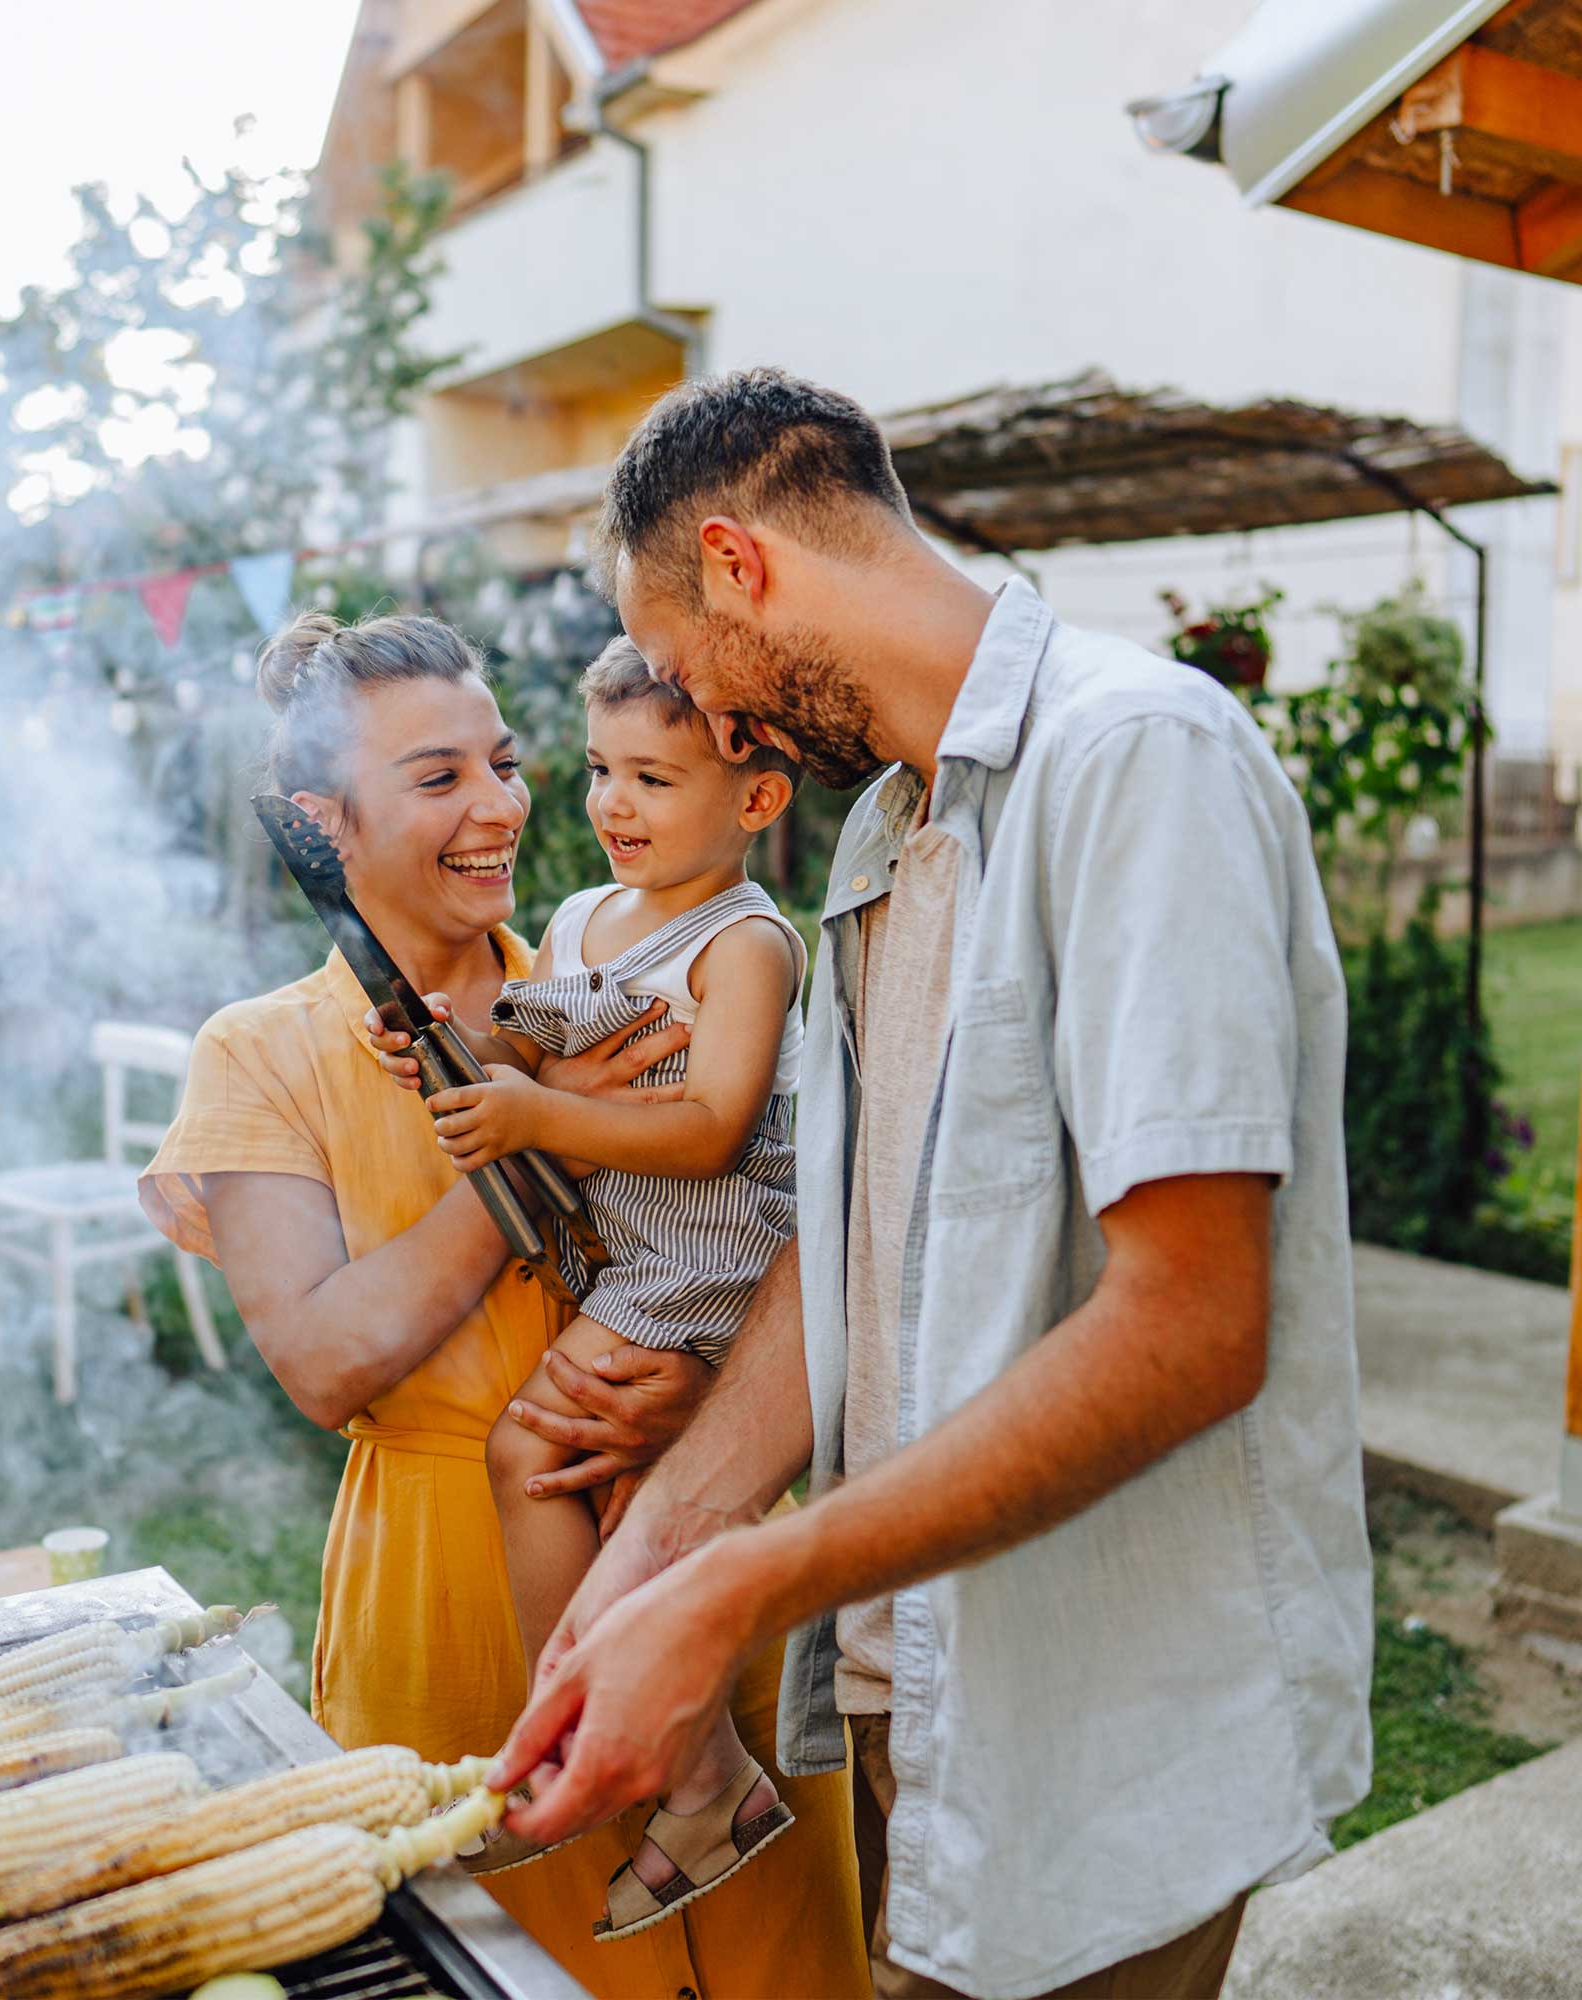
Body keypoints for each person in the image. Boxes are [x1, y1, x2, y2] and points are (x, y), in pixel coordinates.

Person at [492, 370, 1372, 2000]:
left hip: (1109, 1732)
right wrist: (656, 1556)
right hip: (924, 1697)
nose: (719, 732)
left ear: (741, 562)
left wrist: (750, 1578)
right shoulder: (883, 832)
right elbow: (850, 1256)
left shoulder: (1136, 760)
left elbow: (1191, 1325)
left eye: (694, 676)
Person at [139, 610, 868, 1995]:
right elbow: (324, 1360)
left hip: (704, 1549)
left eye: (505, 759)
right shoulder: (260, 1058)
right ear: (323, 823)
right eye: (436, 779)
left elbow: (783, 1215)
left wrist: (716, 1386)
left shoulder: (624, 971)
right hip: (459, 1614)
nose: (502, 808)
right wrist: (530, 1141)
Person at [366, 635, 806, 1937]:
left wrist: (533, 1117)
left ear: (757, 800)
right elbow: (542, 1029)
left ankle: (568, 1738)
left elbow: (714, 1123)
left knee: (529, 1456)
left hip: (705, 1253)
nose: (615, 805)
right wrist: (454, 1045)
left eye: (655, 780)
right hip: (631, 1251)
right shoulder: (578, 919)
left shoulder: (746, 945)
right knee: (615, 1498)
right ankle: (705, 1779)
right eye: (604, 770)